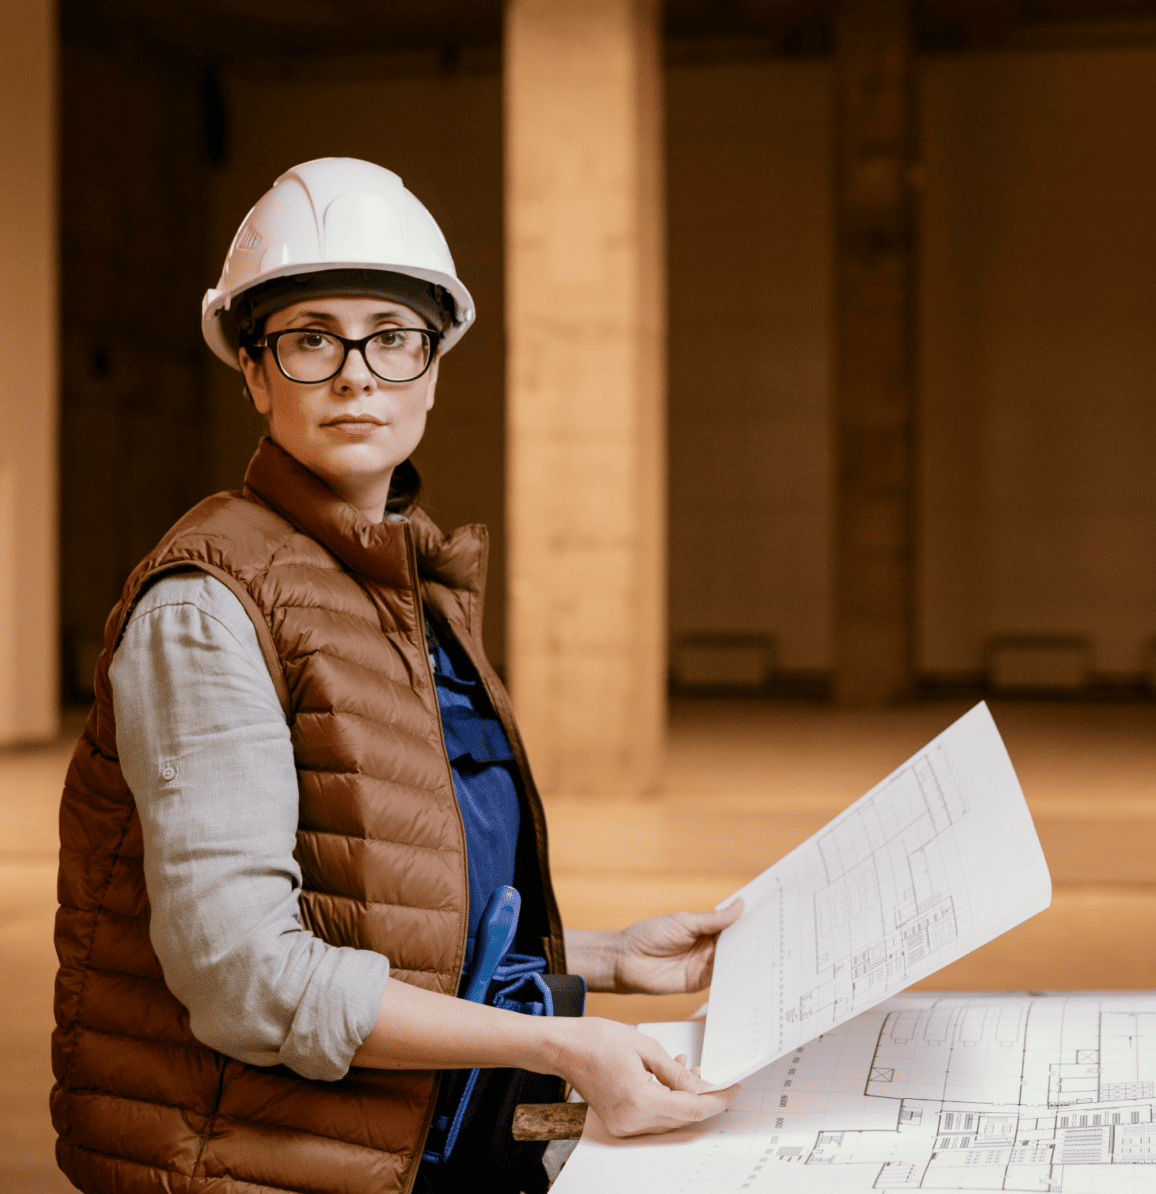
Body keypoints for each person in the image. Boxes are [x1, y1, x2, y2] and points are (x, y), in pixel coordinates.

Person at [52, 157, 741, 1194]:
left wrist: (605, 958)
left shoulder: (402, 577)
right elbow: (249, 979)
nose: (356, 372)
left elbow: (381, 902)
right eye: (310, 338)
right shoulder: (205, 606)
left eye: (391, 335)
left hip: (391, 1150)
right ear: (252, 370)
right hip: (249, 1163)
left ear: (432, 365)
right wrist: (559, 1048)